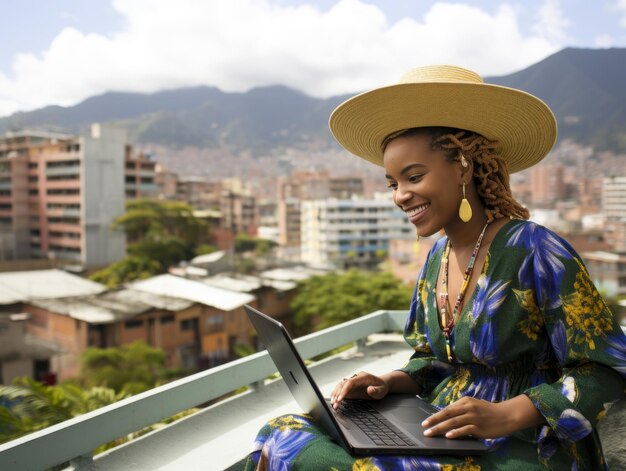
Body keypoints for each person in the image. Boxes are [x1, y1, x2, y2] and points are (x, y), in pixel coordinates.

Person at [244, 65, 626, 470]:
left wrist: (508, 413)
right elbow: (435, 360)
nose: (401, 196)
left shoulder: (535, 248)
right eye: (392, 183)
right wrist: (389, 382)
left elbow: (605, 369)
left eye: (413, 177)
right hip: (440, 424)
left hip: (522, 442)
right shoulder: (436, 258)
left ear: (463, 167)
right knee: (279, 431)